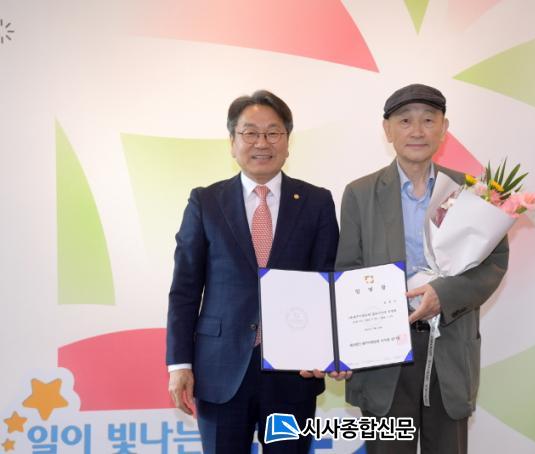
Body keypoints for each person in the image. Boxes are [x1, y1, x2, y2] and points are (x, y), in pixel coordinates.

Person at [336, 84, 509, 453]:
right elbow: (348, 272)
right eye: (405, 121)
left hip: (449, 346)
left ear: (444, 128)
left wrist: (442, 295)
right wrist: (345, 344)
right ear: (387, 130)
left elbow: (494, 262)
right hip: (382, 356)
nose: (417, 130)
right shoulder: (360, 193)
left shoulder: (471, 191)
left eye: (429, 120)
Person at [166, 90, 340, 453]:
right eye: (250, 133)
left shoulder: (316, 202)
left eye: (273, 132)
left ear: (288, 142)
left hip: (294, 372)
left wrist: (327, 349)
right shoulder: (205, 201)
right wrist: (179, 363)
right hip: (221, 368)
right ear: (232, 142)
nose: (262, 143)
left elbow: (327, 284)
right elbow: (184, 289)